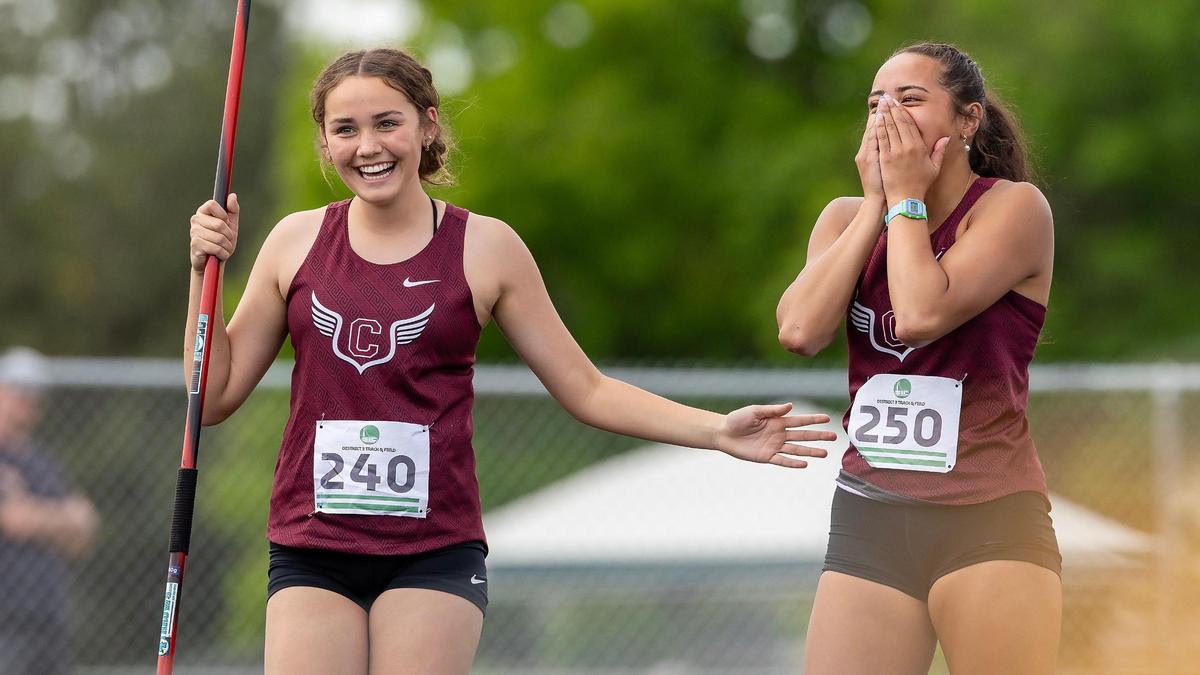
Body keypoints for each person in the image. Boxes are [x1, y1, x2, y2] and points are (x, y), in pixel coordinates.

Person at [185, 48, 836, 675]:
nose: (368, 146)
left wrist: (716, 430)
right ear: (325, 142)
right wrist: (201, 273)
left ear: (427, 124)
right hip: (313, 547)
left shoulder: (486, 248)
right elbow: (210, 397)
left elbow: (586, 387)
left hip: (430, 553)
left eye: (388, 122)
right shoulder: (295, 242)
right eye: (345, 129)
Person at [776, 42, 1060, 674]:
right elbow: (798, 330)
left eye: (909, 100)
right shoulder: (845, 218)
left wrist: (905, 199)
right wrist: (876, 205)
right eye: (875, 103)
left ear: (967, 120)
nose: (887, 116)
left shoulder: (1011, 208)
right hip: (871, 512)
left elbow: (923, 314)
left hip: (988, 518)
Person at [0, 347, 100, 675]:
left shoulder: (41, 464)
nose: (27, 402)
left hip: (48, 620)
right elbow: (14, 520)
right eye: (18, 391)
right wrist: (59, 518)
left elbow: (84, 533)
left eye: (34, 394)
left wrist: (33, 512)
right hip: (6, 623)